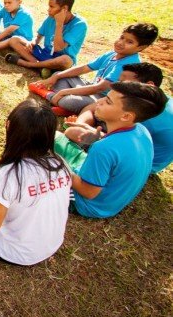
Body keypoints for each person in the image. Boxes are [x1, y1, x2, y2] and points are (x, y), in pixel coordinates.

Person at [0, 99, 71, 265]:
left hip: (15, 252)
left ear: (8, 126)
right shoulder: (60, 164)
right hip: (50, 245)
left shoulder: (9, 174)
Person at [54, 81, 167, 218]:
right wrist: (96, 134)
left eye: (108, 101)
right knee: (56, 137)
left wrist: (61, 165)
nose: (99, 101)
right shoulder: (142, 131)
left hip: (86, 203)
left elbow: (88, 192)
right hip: (108, 199)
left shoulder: (103, 149)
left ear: (126, 116)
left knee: (41, 158)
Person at [63, 63, 173, 173]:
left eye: (124, 83)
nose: (117, 85)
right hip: (127, 148)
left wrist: (82, 129)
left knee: (70, 134)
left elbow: (118, 145)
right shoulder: (153, 100)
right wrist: (81, 124)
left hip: (134, 162)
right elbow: (92, 107)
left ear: (149, 84)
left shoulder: (143, 113)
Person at [29, 23, 158, 115]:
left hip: (104, 99)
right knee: (60, 74)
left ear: (141, 47)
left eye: (129, 42)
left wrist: (64, 92)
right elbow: (85, 68)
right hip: (91, 88)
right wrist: (56, 76)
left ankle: (49, 95)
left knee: (69, 101)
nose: (121, 43)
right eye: (122, 37)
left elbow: (100, 88)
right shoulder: (112, 54)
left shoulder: (130, 65)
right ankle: (64, 104)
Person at [5, 0, 88, 76]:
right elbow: (38, 37)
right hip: (45, 54)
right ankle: (42, 67)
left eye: (52, 7)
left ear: (64, 9)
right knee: (15, 40)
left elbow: (58, 48)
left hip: (60, 59)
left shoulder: (80, 24)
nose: (48, 10)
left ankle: (27, 64)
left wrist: (59, 24)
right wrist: (32, 43)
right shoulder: (50, 18)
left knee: (65, 60)